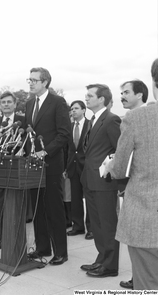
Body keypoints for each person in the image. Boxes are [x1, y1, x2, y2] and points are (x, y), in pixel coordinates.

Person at [103, 59, 158, 290]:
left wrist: (110, 165)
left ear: (154, 83)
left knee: (148, 284)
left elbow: (119, 168)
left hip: (147, 216)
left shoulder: (137, 118)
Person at [25, 67, 71, 266]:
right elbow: (28, 134)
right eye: (30, 80)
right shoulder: (28, 104)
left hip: (51, 163)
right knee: (37, 208)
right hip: (32, 165)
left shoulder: (58, 102)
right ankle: (43, 247)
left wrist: (44, 152)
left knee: (53, 208)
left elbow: (64, 134)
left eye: (34, 80)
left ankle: (61, 251)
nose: (31, 83)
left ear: (45, 82)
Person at [80, 84, 121, 278]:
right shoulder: (92, 120)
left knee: (107, 223)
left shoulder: (111, 120)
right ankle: (102, 259)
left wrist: (108, 170)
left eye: (89, 96)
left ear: (102, 99)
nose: (86, 99)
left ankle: (111, 265)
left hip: (104, 181)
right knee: (96, 223)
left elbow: (119, 150)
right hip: (89, 180)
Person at [113, 79, 148, 289]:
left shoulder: (135, 118)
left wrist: (113, 166)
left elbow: (123, 160)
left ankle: (142, 281)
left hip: (140, 190)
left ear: (140, 95)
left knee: (139, 240)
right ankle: (140, 278)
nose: (122, 96)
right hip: (137, 187)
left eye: (126, 92)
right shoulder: (131, 117)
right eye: (121, 92)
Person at [0, 91, 26, 250]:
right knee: (0, 205)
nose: (6, 105)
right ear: (0, 106)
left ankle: (17, 239)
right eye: (3, 103)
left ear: (15, 104)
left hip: (18, 170)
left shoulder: (23, 121)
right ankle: (3, 238)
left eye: (9, 102)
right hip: (0, 171)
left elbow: (28, 144)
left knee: (17, 205)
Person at [66, 100, 92, 240]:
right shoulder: (68, 127)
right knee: (75, 198)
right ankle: (78, 227)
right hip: (72, 167)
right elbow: (67, 149)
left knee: (89, 198)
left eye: (76, 108)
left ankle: (91, 229)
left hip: (87, 167)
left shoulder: (91, 125)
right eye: (72, 108)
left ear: (83, 110)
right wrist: (65, 166)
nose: (73, 111)